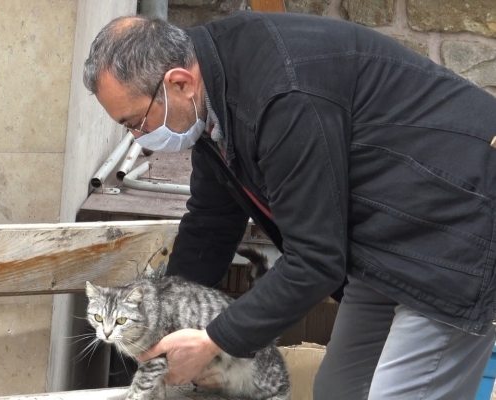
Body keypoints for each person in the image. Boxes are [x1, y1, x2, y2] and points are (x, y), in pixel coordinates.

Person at [83, 11, 496, 400]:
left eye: (136, 122)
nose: (138, 138)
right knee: (339, 390)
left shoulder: (283, 95)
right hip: (388, 238)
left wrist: (214, 340)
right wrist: (162, 323)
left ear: (180, 83)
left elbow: (316, 259)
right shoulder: (212, 96)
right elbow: (211, 222)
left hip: (457, 228)